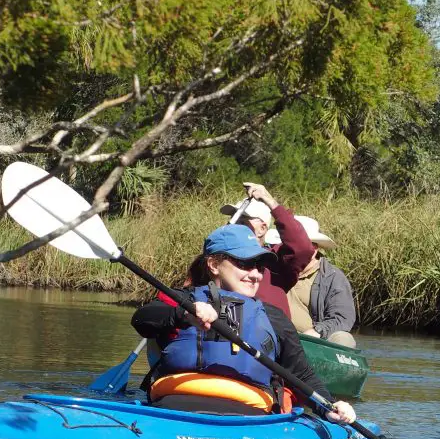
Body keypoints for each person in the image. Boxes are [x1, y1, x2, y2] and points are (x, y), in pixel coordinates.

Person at [132, 224, 356, 424]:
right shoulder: (183, 300)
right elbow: (142, 319)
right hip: (174, 408)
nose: (255, 275)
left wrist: (328, 406)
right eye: (245, 264)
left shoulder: (273, 317)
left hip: (249, 418)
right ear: (213, 264)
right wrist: (183, 314)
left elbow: (302, 376)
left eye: (259, 267)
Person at [217, 182, 314, 318]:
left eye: (242, 222)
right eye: (233, 220)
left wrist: (271, 202)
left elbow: (302, 248)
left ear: (262, 229)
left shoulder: (275, 262)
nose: (233, 225)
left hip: (271, 335)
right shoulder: (219, 259)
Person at [266, 216, 357, 348]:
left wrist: (316, 331)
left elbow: (341, 318)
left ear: (314, 248)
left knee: (343, 339)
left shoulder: (333, 277)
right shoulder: (269, 268)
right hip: (273, 335)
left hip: (313, 341)